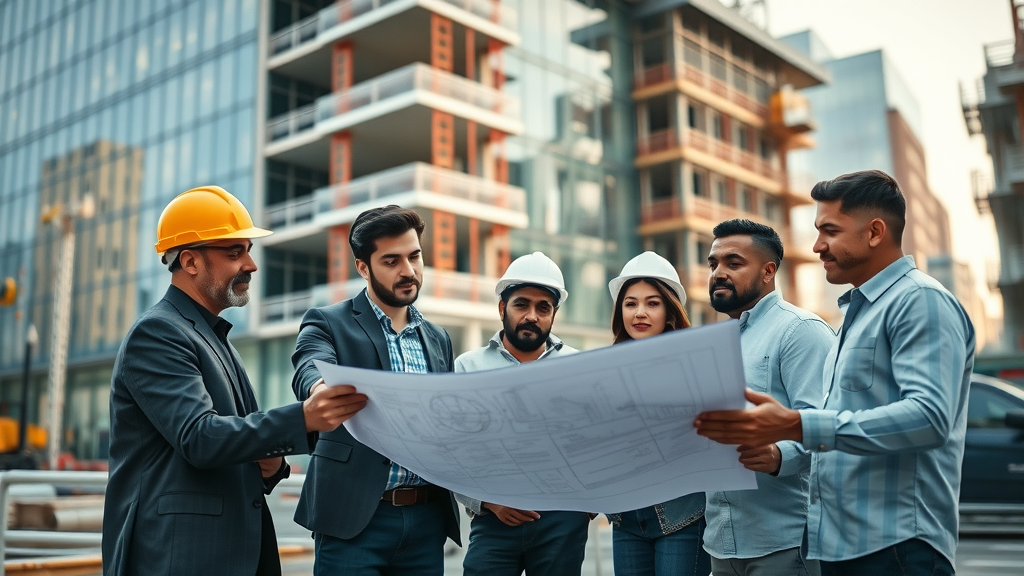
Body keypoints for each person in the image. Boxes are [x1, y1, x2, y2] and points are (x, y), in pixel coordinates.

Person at [694, 170, 975, 576]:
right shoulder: (854, 319)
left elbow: (930, 418)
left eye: (829, 231)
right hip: (839, 545)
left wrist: (795, 425)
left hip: (897, 546)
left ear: (875, 232)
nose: (816, 245)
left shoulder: (921, 301)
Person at [102, 186, 367, 576]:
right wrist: (303, 418)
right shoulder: (157, 333)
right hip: (177, 556)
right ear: (190, 261)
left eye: (248, 250)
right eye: (234, 252)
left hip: (225, 553)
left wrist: (272, 464)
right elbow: (200, 437)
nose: (250, 264)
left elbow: (237, 441)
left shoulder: (215, 338)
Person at [290, 205, 461, 576]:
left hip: (426, 522)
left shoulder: (438, 339)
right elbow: (309, 363)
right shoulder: (328, 322)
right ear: (363, 267)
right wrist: (320, 388)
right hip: (354, 522)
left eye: (415, 256)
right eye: (391, 260)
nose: (408, 271)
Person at [702, 219, 833, 576]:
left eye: (733, 263)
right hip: (720, 541)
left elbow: (827, 428)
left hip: (785, 541)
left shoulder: (800, 332)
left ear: (768, 271)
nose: (718, 273)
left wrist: (778, 455)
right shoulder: (714, 342)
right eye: (713, 264)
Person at [455, 251, 592, 576]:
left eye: (543, 308)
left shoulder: (581, 366)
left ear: (554, 315)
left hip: (562, 521)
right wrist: (487, 503)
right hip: (494, 518)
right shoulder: (468, 366)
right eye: (522, 305)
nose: (532, 315)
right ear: (503, 308)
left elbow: (596, 442)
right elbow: (455, 448)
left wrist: (587, 508)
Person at [604, 251, 711, 576]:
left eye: (652, 303)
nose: (640, 313)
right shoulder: (602, 371)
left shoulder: (696, 366)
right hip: (627, 520)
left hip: (682, 516)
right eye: (630, 303)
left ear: (670, 310)